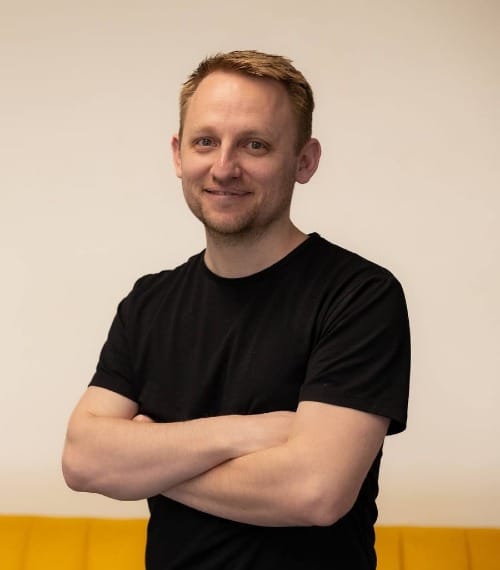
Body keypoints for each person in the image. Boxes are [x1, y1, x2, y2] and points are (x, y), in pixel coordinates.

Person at [62, 50, 410, 569]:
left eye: (255, 144)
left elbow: (314, 492)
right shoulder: (149, 303)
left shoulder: (359, 295)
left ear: (305, 161)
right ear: (178, 154)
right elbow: (82, 460)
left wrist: (145, 459)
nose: (224, 168)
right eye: (205, 141)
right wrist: (249, 433)